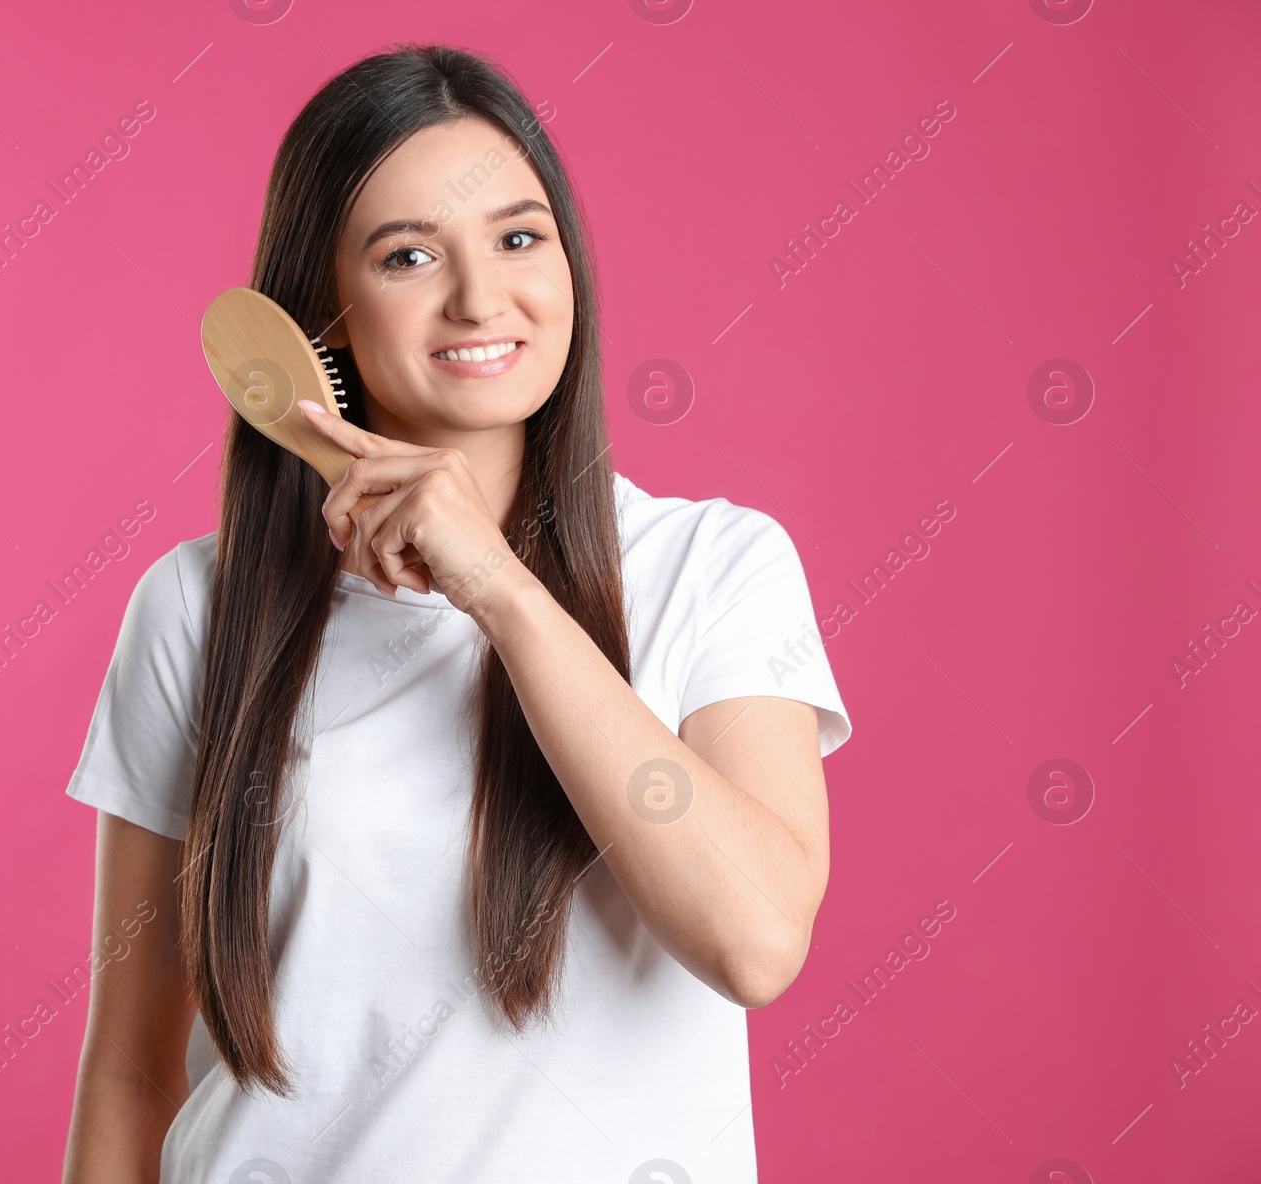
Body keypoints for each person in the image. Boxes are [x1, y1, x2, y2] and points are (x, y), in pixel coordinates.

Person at [60, 42, 851, 1184]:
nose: (481, 297)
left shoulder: (715, 566)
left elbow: (756, 937)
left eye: (519, 239)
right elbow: (132, 1069)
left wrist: (499, 588)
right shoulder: (198, 608)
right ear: (318, 318)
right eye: (408, 255)